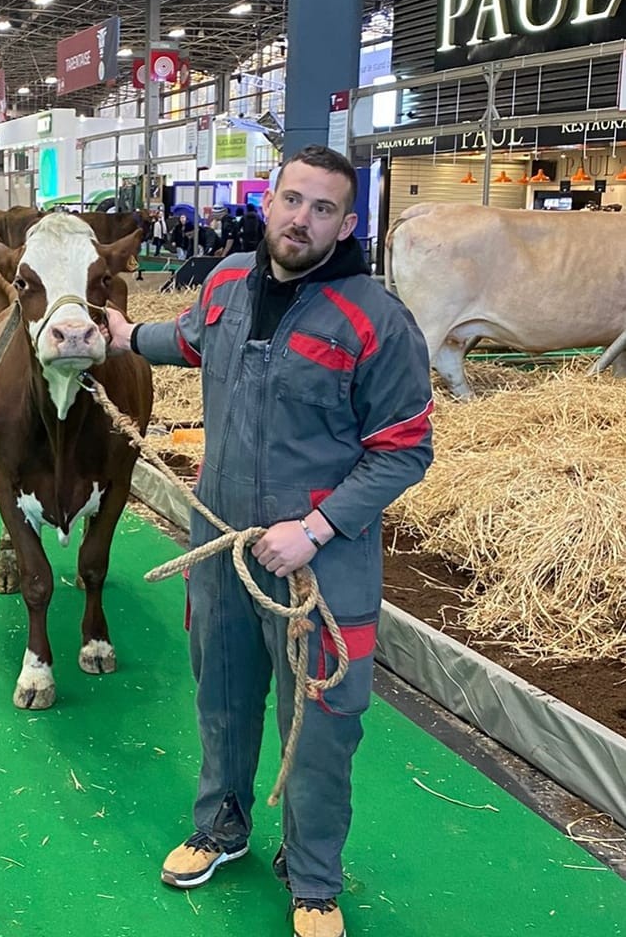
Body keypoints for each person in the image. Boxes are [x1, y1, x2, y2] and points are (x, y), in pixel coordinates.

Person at [104, 145, 433, 937]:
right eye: (291, 200)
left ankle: (313, 879)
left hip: (322, 560)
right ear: (268, 202)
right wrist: (121, 336)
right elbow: (188, 340)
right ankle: (220, 827)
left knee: (319, 721)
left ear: (346, 223)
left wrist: (314, 529)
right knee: (219, 696)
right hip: (222, 546)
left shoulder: (375, 320)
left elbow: (405, 447)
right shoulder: (224, 281)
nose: (300, 219)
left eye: (322, 209)